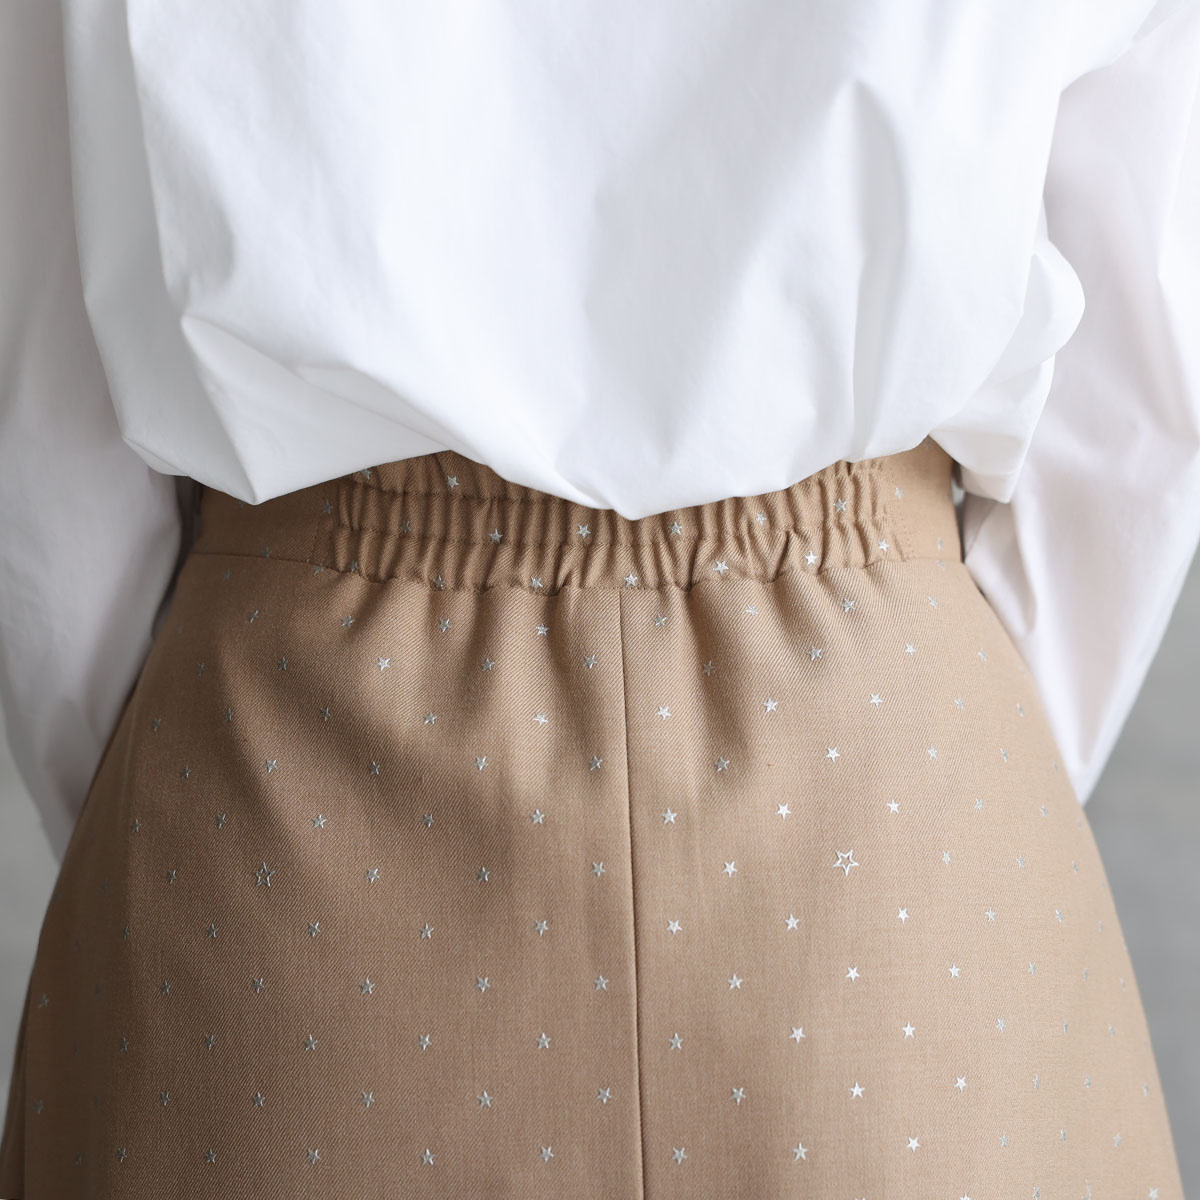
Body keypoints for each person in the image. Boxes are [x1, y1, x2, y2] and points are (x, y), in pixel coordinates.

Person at [0, 0, 1195, 1195]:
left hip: (278, 796)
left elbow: (47, 418)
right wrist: (974, 751)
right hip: (901, 814)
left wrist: (150, 808)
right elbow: (1136, 401)